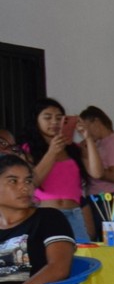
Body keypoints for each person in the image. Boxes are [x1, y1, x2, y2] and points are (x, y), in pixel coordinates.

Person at [0, 152, 76, 284]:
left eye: (28, 180)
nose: (24, 187)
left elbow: (58, 268)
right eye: (13, 181)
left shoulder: (49, 218)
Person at [20, 100, 85, 241]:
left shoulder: (73, 148)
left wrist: (88, 137)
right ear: (36, 121)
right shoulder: (28, 149)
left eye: (59, 117)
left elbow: (96, 173)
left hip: (74, 213)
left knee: (84, 255)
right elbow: (33, 182)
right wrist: (52, 152)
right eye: (47, 117)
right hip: (46, 213)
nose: (54, 122)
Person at [76, 107, 114, 241]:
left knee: (105, 242)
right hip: (95, 199)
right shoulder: (99, 143)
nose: (84, 133)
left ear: (96, 121)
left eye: (85, 127)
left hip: (108, 199)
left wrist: (89, 161)